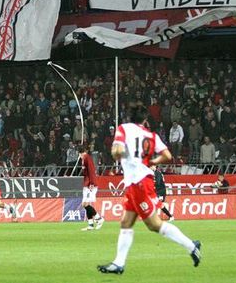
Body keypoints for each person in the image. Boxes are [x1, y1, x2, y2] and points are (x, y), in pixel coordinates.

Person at [98, 105, 201, 275]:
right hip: (138, 182)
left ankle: (192, 246)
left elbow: (116, 151)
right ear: (145, 120)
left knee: (154, 225)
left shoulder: (123, 129)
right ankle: (118, 263)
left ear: (129, 118)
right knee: (126, 222)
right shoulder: (151, 135)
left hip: (138, 183)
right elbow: (168, 156)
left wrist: (120, 154)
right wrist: (152, 162)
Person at [78, 145, 104, 231]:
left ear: (80, 153)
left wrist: (92, 183)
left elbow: (91, 171)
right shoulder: (84, 158)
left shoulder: (87, 158)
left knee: (85, 204)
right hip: (86, 184)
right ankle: (90, 225)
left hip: (90, 184)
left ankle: (99, 219)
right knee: (85, 204)